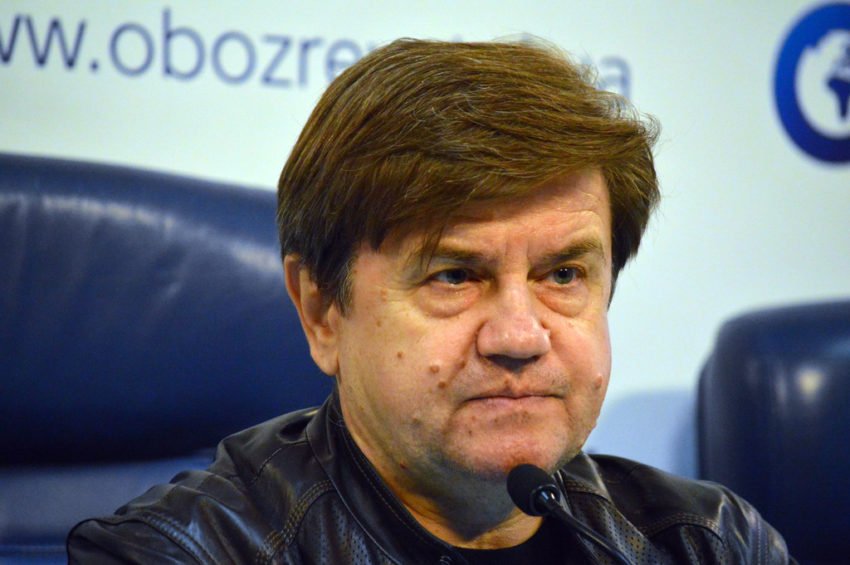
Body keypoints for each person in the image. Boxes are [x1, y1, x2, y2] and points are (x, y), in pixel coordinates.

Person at [67, 38, 794, 563]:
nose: (520, 336)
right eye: (454, 275)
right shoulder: (177, 553)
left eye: (564, 274)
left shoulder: (710, 543)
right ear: (321, 311)